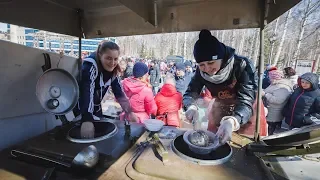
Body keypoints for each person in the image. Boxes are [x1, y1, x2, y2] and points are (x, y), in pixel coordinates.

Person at [184, 29, 258, 145]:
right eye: (202, 65)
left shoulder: (242, 65)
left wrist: (233, 120)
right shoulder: (201, 71)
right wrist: (191, 106)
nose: (207, 69)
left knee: (243, 145)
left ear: (221, 58)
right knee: (214, 140)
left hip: (246, 109)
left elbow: (246, 100)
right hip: (221, 106)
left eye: (210, 63)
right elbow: (191, 92)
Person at [74, 41, 138, 139]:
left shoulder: (114, 71)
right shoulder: (90, 66)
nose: (112, 63)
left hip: (96, 109)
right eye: (108, 58)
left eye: (115, 59)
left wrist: (129, 111)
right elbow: (87, 91)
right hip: (82, 110)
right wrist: (86, 119)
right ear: (100, 55)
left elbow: (119, 92)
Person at [262, 70, 293, 135]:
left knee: (269, 129)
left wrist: (265, 94)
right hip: (270, 110)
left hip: (274, 113)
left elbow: (278, 100)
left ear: (274, 78)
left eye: (270, 77)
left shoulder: (282, 87)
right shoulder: (275, 84)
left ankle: (267, 140)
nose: (269, 78)